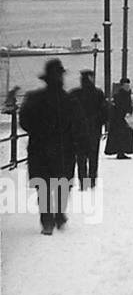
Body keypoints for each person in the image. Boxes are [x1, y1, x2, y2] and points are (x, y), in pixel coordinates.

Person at [19, 59, 86, 234]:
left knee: (43, 187)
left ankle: (47, 221)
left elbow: (24, 123)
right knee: (63, 184)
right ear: (61, 78)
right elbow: (79, 127)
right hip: (65, 150)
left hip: (39, 149)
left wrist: (40, 131)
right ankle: (59, 215)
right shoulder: (70, 101)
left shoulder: (33, 99)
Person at [69, 68, 107, 189]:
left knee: (80, 157)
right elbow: (104, 111)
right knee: (93, 156)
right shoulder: (98, 93)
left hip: (78, 130)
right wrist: (101, 122)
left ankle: (83, 181)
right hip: (94, 129)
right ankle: (92, 179)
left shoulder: (74, 93)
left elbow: (68, 112)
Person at [104, 77, 133, 159]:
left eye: (128, 85)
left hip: (126, 117)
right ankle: (120, 152)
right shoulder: (119, 95)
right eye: (126, 85)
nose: (127, 87)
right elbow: (119, 107)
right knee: (120, 135)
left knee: (125, 135)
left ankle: (123, 151)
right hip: (119, 119)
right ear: (122, 86)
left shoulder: (127, 94)